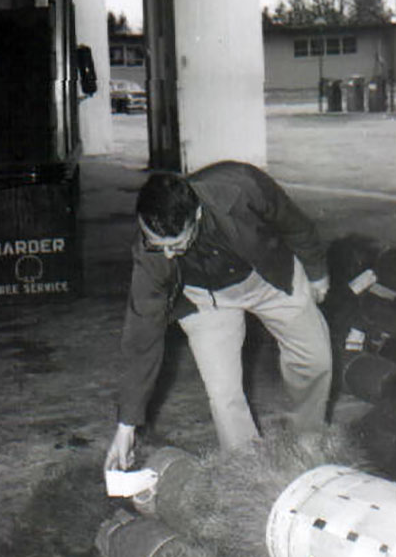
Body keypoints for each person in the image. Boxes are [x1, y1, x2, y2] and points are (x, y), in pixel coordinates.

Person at [105, 160, 332, 470]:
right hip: (203, 299)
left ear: (196, 214)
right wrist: (126, 427)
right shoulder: (149, 254)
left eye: (178, 244)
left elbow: (293, 222)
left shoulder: (241, 187)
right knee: (224, 394)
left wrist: (317, 270)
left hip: (264, 276)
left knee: (315, 359)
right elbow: (141, 334)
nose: (168, 255)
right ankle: (249, 472)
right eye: (159, 246)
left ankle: (308, 442)